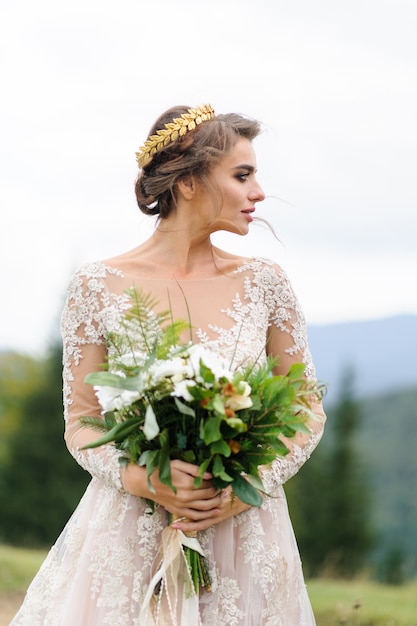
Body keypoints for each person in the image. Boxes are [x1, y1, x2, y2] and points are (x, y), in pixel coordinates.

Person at [10, 104, 326, 625]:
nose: (259, 193)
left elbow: (306, 407)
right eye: (242, 175)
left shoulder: (266, 284)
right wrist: (142, 479)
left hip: (242, 534)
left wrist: (247, 488)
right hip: (130, 529)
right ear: (189, 184)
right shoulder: (98, 287)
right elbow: (83, 420)